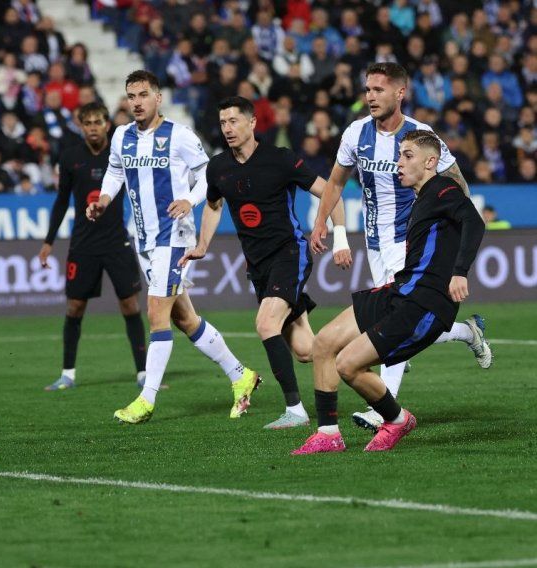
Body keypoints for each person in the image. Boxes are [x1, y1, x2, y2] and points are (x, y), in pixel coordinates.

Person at [311, 63, 491, 432]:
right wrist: (323, 226)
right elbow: (334, 182)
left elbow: (457, 184)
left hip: (409, 242)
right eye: (367, 89)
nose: (370, 96)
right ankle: (467, 332)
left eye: (378, 89)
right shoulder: (356, 133)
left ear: (400, 93)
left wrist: (452, 237)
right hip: (374, 241)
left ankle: (385, 411)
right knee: (400, 321)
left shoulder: (421, 136)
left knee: (393, 320)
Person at [294, 130, 485, 454]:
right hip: (401, 290)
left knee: (348, 364)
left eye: (407, 156)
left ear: (430, 162)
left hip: (424, 302)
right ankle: (328, 434)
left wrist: (459, 272)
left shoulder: (443, 188)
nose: (398, 163)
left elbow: (474, 221)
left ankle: (396, 419)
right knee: (324, 343)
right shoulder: (422, 197)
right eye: (399, 155)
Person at [87, 70, 259, 424]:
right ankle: (240, 374)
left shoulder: (179, 136)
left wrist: (189, 200)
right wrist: (104, 200)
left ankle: (146, 399)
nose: (136, 102)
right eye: (131, 96)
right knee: (184, 318)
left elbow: (210, 175)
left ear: (158, 98)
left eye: (143, 95)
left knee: (156, 314)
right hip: (146, 240)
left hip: (174, 237)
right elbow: (116, 172)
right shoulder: (121, 136)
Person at [180, 96, 351, 429]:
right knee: (306, 349)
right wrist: (202, 245)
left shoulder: (280, 160)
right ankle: (370, 347)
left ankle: (295, 410)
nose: (227, 128)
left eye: (234, 121)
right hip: (258, 266)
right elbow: (213, 206)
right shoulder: (218, 167)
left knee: (266, 323)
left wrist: (338, 235)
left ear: (252, 122)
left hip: (290, 253)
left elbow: (330, 190)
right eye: (223, 122)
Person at [39, 102, 147, 391]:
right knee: (75, 307)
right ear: (80, 126)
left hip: (116, 241)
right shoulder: (71, 157)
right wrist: (49, 241)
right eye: (88, 123)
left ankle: (143, 374)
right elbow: (62, 201)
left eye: (98, 122)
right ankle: (68, 374)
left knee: (130, 304)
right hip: (84, 243)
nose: (93, 128)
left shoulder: (121, 154)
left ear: (107, 124)